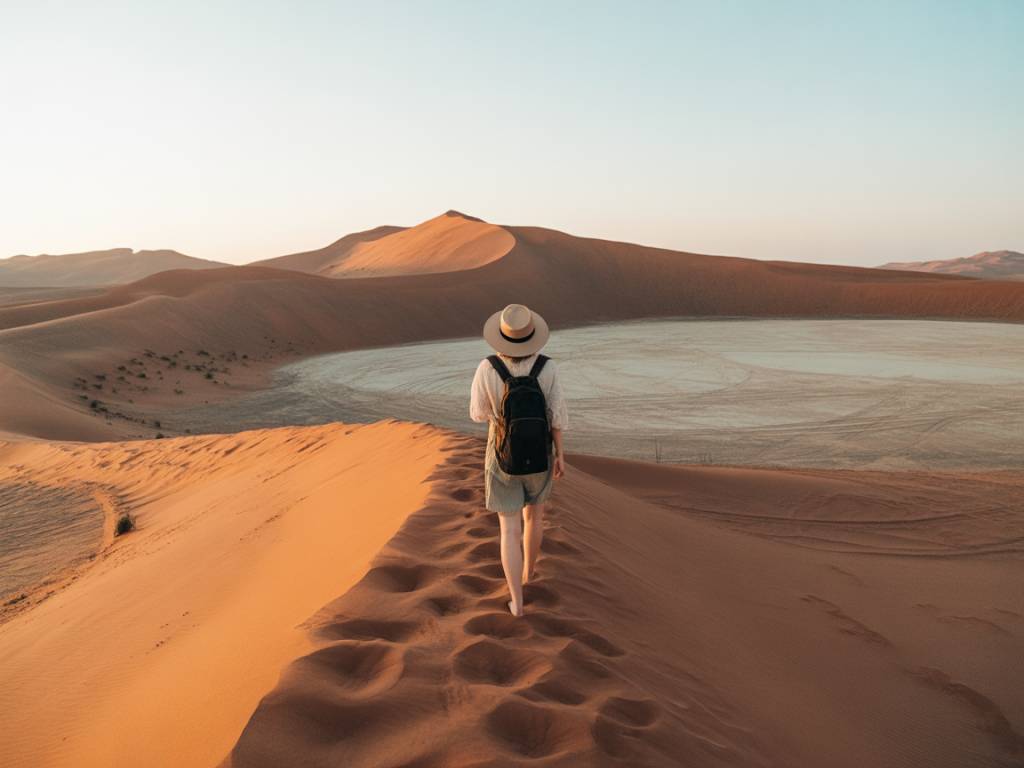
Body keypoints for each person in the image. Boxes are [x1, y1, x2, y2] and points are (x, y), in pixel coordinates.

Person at [469, 303, 568, 617]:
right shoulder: (547, 368)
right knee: (534, 519)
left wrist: (502, 416)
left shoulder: (487, 368)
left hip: (500, 456)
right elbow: (557, 417)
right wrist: (560, 454)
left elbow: (477, 414)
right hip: (540, 454)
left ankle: (517, 602)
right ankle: (529, 574)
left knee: (508, 530)